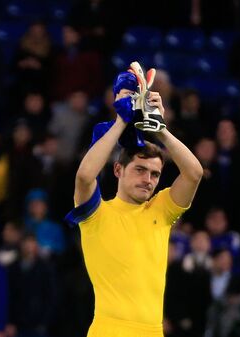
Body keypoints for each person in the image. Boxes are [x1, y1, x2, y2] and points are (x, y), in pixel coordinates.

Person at [66, 70, 203, 337]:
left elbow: (194, 173)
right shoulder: (96, 213)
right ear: (118, 170)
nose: (148, 179)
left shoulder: (161, 210)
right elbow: (84, 176)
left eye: (154, 174)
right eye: (140, 170)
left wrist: (161, 129)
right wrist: (121, 121)